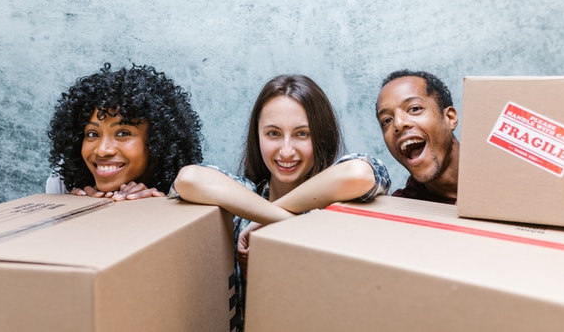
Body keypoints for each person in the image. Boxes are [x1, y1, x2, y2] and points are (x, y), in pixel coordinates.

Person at [172, 74, 390, 330]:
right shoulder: (244, 198)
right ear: (258, 136)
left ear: (321, 136)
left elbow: (359, 175)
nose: (286, 151)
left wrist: (285, 222)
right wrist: (284, 220)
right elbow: (189, 179)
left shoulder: (337, 204)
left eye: (301, 134)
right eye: (273, 133)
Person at [46, 63, 203, 200]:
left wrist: (162, 203)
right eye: (92, 134)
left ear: (158, 141)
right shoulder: (63, 185)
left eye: (122, 134)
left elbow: (192, 179)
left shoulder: (197, 184)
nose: (102, 150)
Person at [376, 69, 459, 204]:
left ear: (450, 118)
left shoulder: (500, 166)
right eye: (387, 120)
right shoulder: (402, 212)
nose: (398, 123)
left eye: (414, 109)